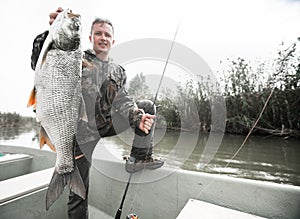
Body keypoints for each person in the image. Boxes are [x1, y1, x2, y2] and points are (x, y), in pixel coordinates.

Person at [30, 7, 164, 219]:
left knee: (145, 107)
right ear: (90, 37)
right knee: (79, 193)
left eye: (107, 34)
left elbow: (123, 101)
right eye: (99, 33)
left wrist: (138, 119)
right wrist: (49, 33)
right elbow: (39, 60)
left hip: (105, 124)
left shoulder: (117, 70)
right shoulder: (73, 56)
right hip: (80, 132)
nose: (103, 38)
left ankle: (139, 158)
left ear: (113, 40)